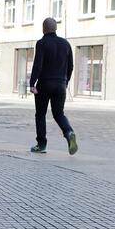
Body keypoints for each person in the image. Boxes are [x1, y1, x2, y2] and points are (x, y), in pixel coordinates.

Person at [29, 18, 78, 155]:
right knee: (58, 113)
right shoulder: (65, 44)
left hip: (44, 84)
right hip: (60, 84)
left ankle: (41, 144)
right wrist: (65, 81)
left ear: (43, 29)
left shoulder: (41, 43)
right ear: (55, 28)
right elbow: (71, 66)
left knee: (40, 114)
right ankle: (69, 132)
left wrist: (32, 83)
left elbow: (38, 64)